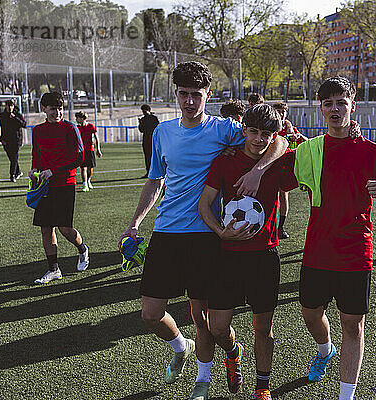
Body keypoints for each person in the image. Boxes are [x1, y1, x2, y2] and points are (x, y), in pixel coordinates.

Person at [117, 61, 287, 400]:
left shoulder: (223, 128)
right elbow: (155, 180)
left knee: (202, 316)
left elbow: (274, 141)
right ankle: (180, 347)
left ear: (208, 95)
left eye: (197, 94)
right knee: (150, 313)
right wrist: (135, 223)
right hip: (166, 231)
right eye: (184, 94)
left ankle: (203, 380)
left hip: (207, 235)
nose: (190, 101)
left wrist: (257, 173)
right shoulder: (162, 132)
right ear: (175, 95)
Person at [294, 76, 376, 400]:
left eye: (342, 102)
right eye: (329, 104)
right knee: (311, 314)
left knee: (353, 326)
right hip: (317, 250)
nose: (336, 109)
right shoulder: (310, 150)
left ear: (353, 105)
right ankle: (325, 349)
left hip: (356, 252)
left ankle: (346, 396)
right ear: (321, 108)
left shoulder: (373, 151)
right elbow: (277, 161)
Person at [198, 104, 297, 400]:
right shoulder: (225, 162)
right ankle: (233, 351)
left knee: (262, 327)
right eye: (253, 131)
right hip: (227, 255)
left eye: (266, 133)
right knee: (217, 327)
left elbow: (298, 147)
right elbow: (204, 205)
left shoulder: (279, 162)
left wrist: (260, 169)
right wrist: (220, 231)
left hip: (264, 256)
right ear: (243, 129)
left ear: (274, 134)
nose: (258, 139)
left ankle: (262, 386)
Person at [29, 92, 89, 284]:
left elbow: (79, 158)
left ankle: (82, 249)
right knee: (46, 228)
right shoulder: (37, 130)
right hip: (44, 185)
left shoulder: (70, 128)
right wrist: (34, 169)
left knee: (64, 228)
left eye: (60, 108)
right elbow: (36, 153)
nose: (57, 112)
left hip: (65, 184)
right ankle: (53, 269)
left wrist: (53, 171)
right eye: (53, 108)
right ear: (44, 109)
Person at [272, 101, 308, 239]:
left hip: (285, 168)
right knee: (269, 196)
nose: (281, 113)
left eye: (283, 111)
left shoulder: (290, 128)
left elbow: (305, 143)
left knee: (283, 195)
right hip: (271, 166)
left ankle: (280, 227)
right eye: (278, 111)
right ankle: (268, 225)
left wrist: (298, 137)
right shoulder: (270, 126)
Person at [0, 99, 27, 182]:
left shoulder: (17, 114)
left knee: (14, 158)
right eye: (8, 106)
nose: (10, 107)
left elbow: (24, 124)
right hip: (6, 141)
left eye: (11, 106)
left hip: (16, 140)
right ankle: (18, 172)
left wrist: (15, 118)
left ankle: (12, 175)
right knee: (12, 158)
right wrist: (1, 139)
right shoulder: (1, 116)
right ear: (6, 106)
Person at [75, 111, 102, 192]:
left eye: (78, 118)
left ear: (82, 118)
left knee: (90, 168)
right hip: (81, 151)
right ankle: (85, 185)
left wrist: (98, 149)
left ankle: (88, 180)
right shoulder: (77, 128)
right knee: (83, 168)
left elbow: (96, 138)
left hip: (90, 150)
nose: (76, 119)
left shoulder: (91, 126)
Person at [138, 104, 160, 178]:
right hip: (146, 140)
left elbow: (157, 129)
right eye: (142, 111)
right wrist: (140, 123)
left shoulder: (154, 118)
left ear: (148, 110)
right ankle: (148, 172)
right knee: (147, 157)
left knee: (154, 157)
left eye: (144, 111)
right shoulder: (143, 119)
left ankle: (156, 172)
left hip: (153, 140)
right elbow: (141, 130)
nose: (143, 113)